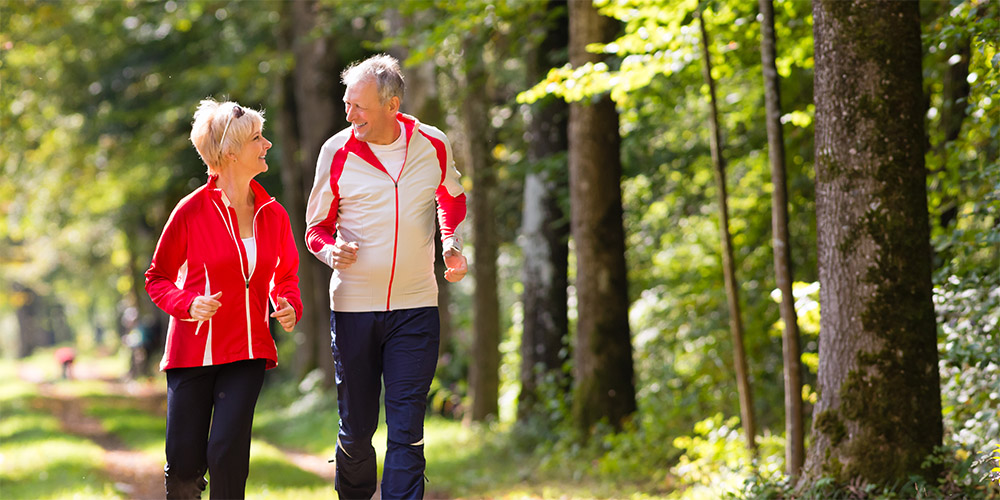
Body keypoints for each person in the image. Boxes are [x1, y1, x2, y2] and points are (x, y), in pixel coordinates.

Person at [305, 54, 468, 499]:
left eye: (358, 106)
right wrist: (330, 251)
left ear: (392, 104)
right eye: (346, 103)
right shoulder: (336, 151)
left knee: (407, 428)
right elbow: (315, 229)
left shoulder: (432, 143)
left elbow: (451, 197)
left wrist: (450, 241)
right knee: (357, 433)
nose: (349, 114)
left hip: (416, 308)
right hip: (355, 308)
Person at [145, 99, 303, 499]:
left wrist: (287, 304)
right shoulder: (191, 212)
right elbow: (158, 277)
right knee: (184, 464)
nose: (266, 144)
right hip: (192, 353)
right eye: (257, 138)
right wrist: (188, 304)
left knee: (227, 453)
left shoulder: (273, 213)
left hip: (248, 350)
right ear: (230, 153)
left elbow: (284, 275)